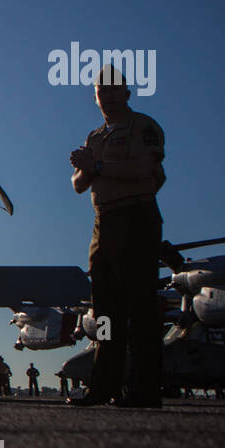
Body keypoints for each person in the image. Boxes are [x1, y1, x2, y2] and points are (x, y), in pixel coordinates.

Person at [69, 64, 166, 408]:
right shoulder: (95, 137)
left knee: (140, 307)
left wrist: (95, 167)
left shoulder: (143, 127)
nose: (107, 96)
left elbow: (144, 170)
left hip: (135, 217)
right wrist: (85, 165)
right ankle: (103, 386)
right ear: (95, 98)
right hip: (103, 222)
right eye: (101, 91)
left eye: (113, 90)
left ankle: (145, 390)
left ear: (126, 92)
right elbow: (78, 185)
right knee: (105, 311)